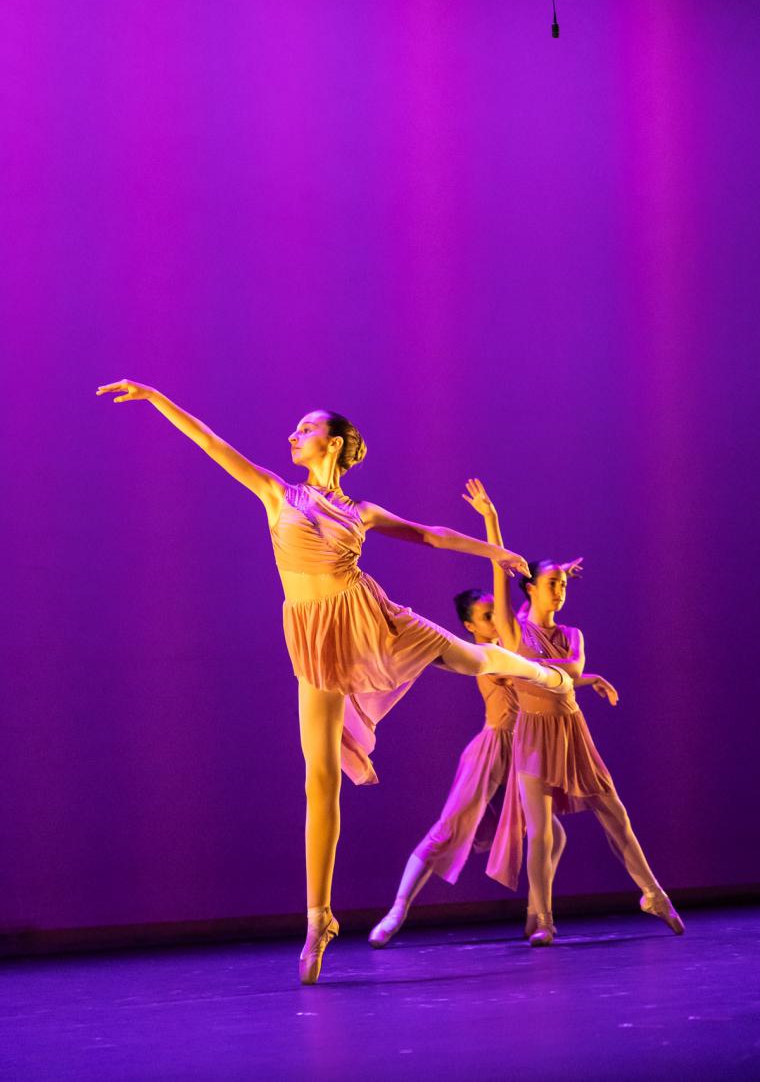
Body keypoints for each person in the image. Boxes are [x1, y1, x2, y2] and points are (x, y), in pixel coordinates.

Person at [96, 384, 574, 982]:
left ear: (337, 442)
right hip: (317, 640)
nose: (293, 435)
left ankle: (545, 673)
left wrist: (492, 550)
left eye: (306, 427)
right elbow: (211, 442)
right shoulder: (277, 492)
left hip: (370, 617)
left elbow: (427, 534)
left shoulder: (361, 512)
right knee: (320, 780)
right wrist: (155, 398)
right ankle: (318, 918)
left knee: (476, 661)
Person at [369, 481, 605, 947]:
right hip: (495, 748)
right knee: (449, 828)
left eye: (499, 610)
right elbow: (504, 576)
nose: (498, 616)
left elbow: (538, 658)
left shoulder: (513, 645)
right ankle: (398, 910)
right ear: (471, 627)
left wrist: (583, 674)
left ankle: (538, 916)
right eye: (487, 613)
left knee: (552, 836)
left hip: (524, 751)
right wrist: (490, 523)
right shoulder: (485, 654)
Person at [455, 482, 686, 945]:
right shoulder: (510, 629)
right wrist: (491, 519)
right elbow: (499, 565)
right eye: (552, 584)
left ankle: (653, 893)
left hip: (571, 729)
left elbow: (570, 667)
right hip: (534, 733)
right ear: (531, 589)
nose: (560, 591)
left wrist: (562, 673)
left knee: (613, 812)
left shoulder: (571, 634)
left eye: (563, 585)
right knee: (539, 834)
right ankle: (542, 918)